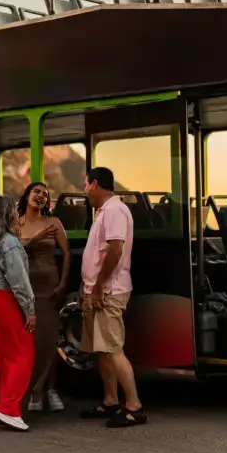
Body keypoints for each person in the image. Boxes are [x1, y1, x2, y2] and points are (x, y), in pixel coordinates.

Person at [78, 167, 145, 428]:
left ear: (94, 183)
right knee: (102, 350)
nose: (85, 192)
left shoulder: (115, 210)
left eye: (86, 185)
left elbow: (115, 250)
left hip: (108, 291)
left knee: (113, 349)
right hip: (96, 290)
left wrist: (98, 287)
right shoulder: (103, 211)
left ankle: (134, 406)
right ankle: (110, 400)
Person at [0, 195, 36, 431]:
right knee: (23, 353)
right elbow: (19, 281)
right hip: (6, 300)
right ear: (8, 214)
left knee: (0, 356)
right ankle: (10, 409)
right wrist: (30, 310)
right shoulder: (10, 243)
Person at [17, 182, 69, 413]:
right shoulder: (16, 223)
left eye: (45, 195)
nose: (41, 196)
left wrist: (63, 283)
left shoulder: (53, 223)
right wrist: (34, 240)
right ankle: (34, 391)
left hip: (49, 287)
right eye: (36, 191)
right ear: (27, 196)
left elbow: (66, 254)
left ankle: (50, 388)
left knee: (49, 340)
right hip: (25, 289)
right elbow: (13, 253)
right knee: (29, 342)